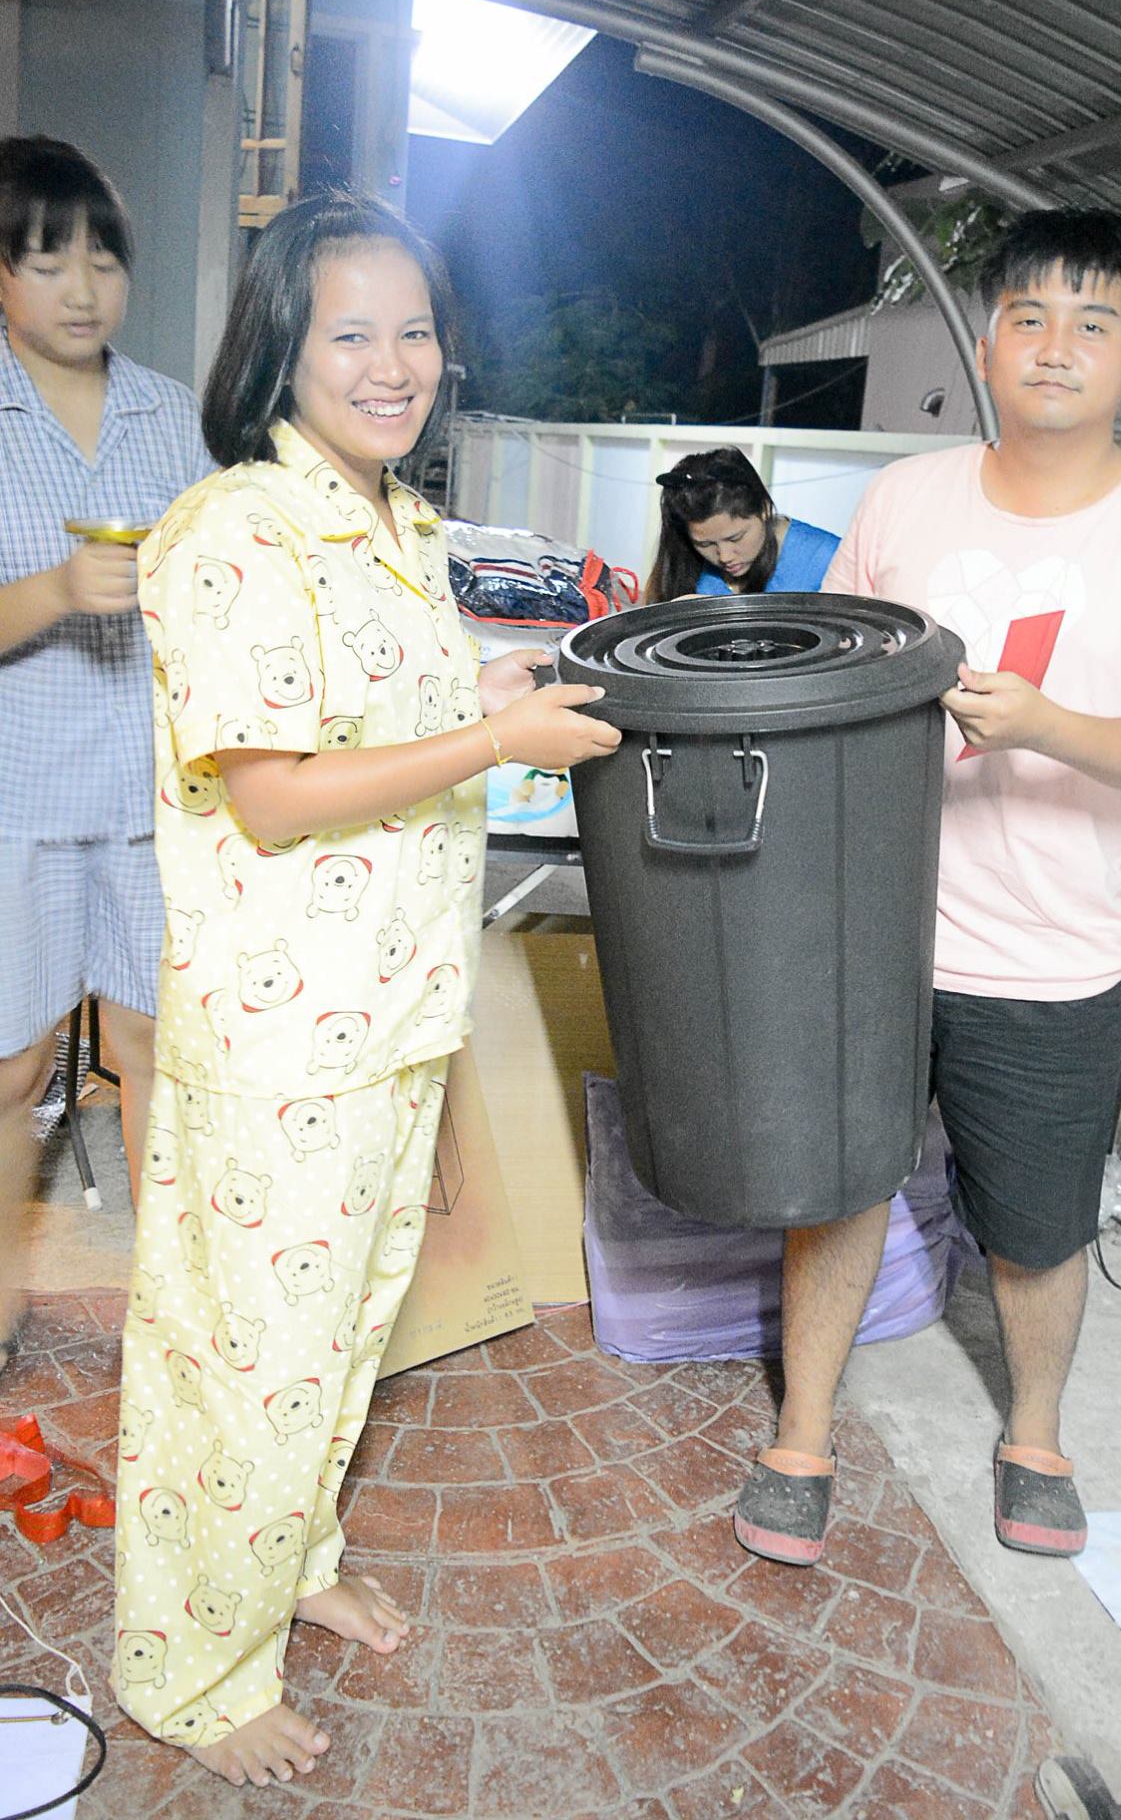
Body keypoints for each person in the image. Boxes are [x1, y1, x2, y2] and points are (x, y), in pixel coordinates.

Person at [110, 192, 620, 1790]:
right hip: (282, 1037)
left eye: (416, 331)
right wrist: (493, 740)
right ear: (282, 348)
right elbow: (270, 793)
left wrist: (485, 683)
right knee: (247, 1356)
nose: (394, 364)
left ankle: (291, 1560)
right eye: (353, 333)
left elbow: (367, 715)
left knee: (336, 1336)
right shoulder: (236, 531)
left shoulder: (398, 524)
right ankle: (192, 1671)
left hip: (394, 1007)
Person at [733, 207, 1121, 1568]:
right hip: (870, 931)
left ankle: (1034, 1434)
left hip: (1052, 952)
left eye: (1093, 323)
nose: (1055, 346)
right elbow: (830, 672)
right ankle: (801, 1434)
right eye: (1028, 317)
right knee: (836, 1191)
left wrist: (1043, 725)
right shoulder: (907, 498)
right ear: (985, 343)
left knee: (1036, 1226)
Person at [0, 135, 212, 1365]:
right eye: (45, 261)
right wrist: (56, 589)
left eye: (103, 259)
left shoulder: (169, 413)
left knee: (153, 1053)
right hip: (18, 796)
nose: (82, 288)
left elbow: (219, 584)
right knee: (14, 1062)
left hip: (149, 794)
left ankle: (169, 1308)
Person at [644, 446, 839, 601]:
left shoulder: (827, 559)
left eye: (735, 538)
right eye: (705, 544)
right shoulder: (682, 560)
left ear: (764, 509)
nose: (725, 557)